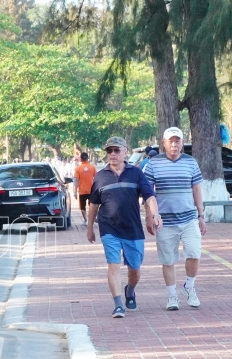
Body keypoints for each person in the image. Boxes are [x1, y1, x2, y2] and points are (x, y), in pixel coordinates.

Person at [86, 136, 161, 318]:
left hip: (132, 228)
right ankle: (118, 304)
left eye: (116, 150)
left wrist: (155, 214)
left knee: (135, 269)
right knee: (114, 265)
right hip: (109, 228)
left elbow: (149, 196)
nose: (112, 154)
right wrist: (90, 228)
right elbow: (94, 205)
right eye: (109, 151)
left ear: (125, 152)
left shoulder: (136, 173)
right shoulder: (100, 176)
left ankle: (130, 290)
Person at [143, 127, 206, 311]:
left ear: (182, 143)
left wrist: (201, 215)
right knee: (168, 260)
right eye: (170, 141)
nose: (174, 144)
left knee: (194, 253)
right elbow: (148, 193)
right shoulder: (153, 164)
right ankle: (172, 297)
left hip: (189, 219)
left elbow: (196, 189)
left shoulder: (190, 162)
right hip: (165, 222)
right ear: (163, 143)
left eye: (177, 141)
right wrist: (149, 216)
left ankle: (189, 286)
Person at [73, 151, 97, 226]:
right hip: (91, 190)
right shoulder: (92, 167)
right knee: (92, 205)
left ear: (80, 159)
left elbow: (75, 180)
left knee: (82, 207)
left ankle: (86, 220)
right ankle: (92, 218)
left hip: (82, 191)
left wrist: (75, 191)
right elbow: (96, 178)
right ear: (88, 158)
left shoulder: (78, 168)